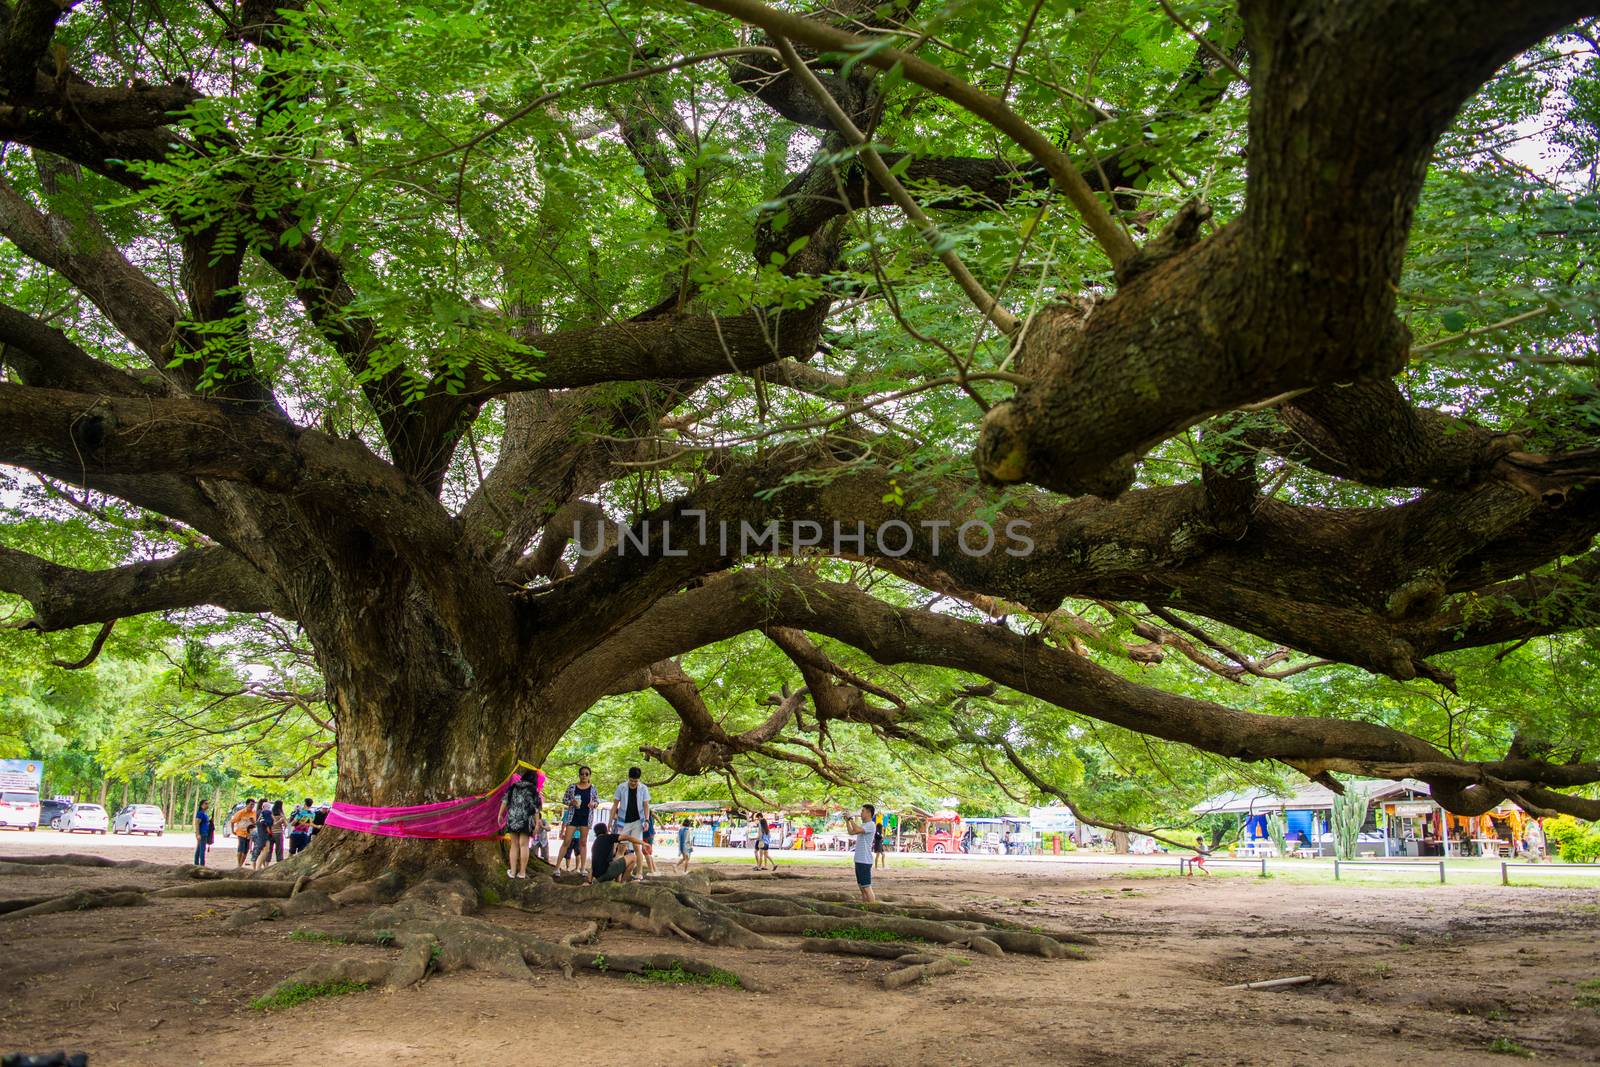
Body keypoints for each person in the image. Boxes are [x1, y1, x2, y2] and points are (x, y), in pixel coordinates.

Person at [498, 771, 540, 880]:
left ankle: (512, 872)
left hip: (513, 818)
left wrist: (500, 814)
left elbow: (505, 800)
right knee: (524, 845)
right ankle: (522, 873)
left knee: (514, 845)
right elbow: (536, 808)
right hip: (526, 819)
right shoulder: (533, 789)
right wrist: (537, 824)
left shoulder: (513, 786)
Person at [557, 767, 599, 874]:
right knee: (566, 841)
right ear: (579, 775)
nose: (584, 776)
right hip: (573, 817)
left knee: (583, 843)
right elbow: (565, 800)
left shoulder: (593, 788)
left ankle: (583, 868)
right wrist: (572, 802)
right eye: (582, 774)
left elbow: (596, 801)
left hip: (586, 817)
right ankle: (557, 867)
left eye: (586, 774)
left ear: (590, 775)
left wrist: (593, 804)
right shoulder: (572, 787)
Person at [586, 820, 647, 885]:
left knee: (617, 860)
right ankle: (623, 883)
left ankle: (618, 881)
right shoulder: (608, 837)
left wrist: (589, 882)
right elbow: (627, 837)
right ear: (606, 830)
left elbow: (593, 865)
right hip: (606, 873)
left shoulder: (595, 843)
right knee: (633, 857)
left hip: (598, 877)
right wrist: (642, 843)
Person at [847, 804, 878, 902]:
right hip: (859, 859)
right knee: (862, 887)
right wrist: (847, 820)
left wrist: (850, 818)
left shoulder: (871, 825)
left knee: (867, 887)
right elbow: (851, 832)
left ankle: (873, 909)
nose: (861, 813)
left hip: (865, 860)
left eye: (863, 811)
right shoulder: (864, 825)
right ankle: (865, 907)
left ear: (869, 813)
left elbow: (856, 829)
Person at [613, 766, 651, 845]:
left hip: (638, 821)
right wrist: (610, 821)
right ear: (628, 778)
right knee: (621, 846)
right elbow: (615, 805)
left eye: (636, 781)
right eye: (631, 780)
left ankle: (637, 857)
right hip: (623, 821)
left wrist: (647, 820)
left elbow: (646, 805)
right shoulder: (621, 787)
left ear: (639, 779)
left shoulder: (644, 788)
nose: (633, 783)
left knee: (637, 846)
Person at [230, 799, 257, 869]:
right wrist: (233, 831)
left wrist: (253, 821)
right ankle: (239, 865)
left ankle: (240, 865)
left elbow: (256, 824)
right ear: (247, 804)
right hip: (241, 833)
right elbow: (232, 821)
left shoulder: (254, 813)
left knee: (246, 850)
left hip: (249, 834)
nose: (252, 806)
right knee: (240, 849)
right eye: (251, 804)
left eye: (253, 805)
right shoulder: (241, 813)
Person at [251, 798, 276, 870]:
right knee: (265, 849)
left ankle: (259, 867)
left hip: (261, 832)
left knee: (264, 850)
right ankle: (258, 867)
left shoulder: (259, 812)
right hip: (264, 833)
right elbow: (268, 823)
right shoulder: (265, 812)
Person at [193, 799, 214, 867]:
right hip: (202, 833)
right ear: (202, 805)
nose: (207, 805)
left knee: (199, 849)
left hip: (205, 833)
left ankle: (196, 864)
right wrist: (198, 834)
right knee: (202, 849)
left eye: (207, 803)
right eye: (206, 803)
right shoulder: (200, 813)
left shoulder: (204, 814)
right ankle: (201, 864)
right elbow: (197, 823)